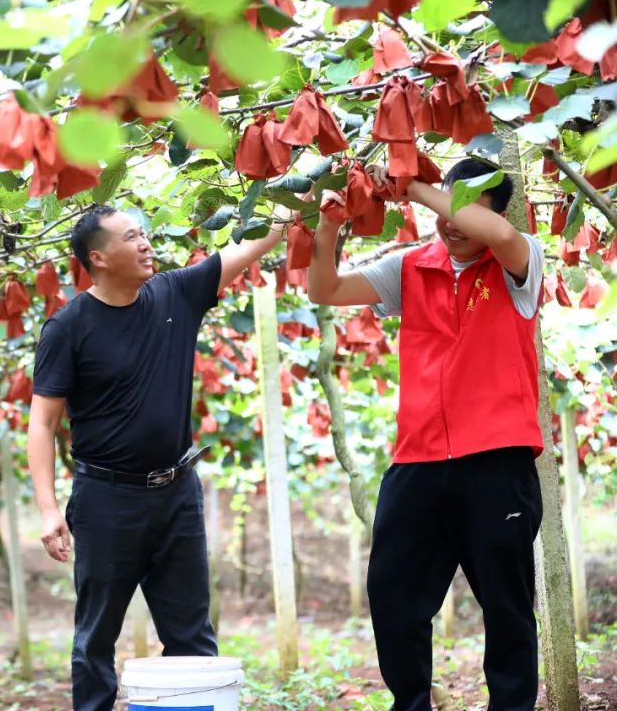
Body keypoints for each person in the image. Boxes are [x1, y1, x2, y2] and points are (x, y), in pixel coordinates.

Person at [308, 159, 545, 711]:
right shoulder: (411, 266)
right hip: (417, 460)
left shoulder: (518, 262)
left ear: (496, 209)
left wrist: (413, 188)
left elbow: (504, 235)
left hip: (496, 460)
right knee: (393, 595)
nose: (451, 219)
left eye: (468, 203)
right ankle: (411, 703)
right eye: (447, 202)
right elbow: (325, 289)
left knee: (507, 606)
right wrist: (327, 228)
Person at [28, 205, 282, 711]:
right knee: (96, 638)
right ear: (98, 258)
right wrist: (48, 507)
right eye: (131, 237)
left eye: (144, 234)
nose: (145, 244)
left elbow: (250, 244)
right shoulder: (68, 327)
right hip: (105, 499)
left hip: (177, 493)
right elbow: (43, 422)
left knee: (191, 634)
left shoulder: (175, 293)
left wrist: (294, 206)